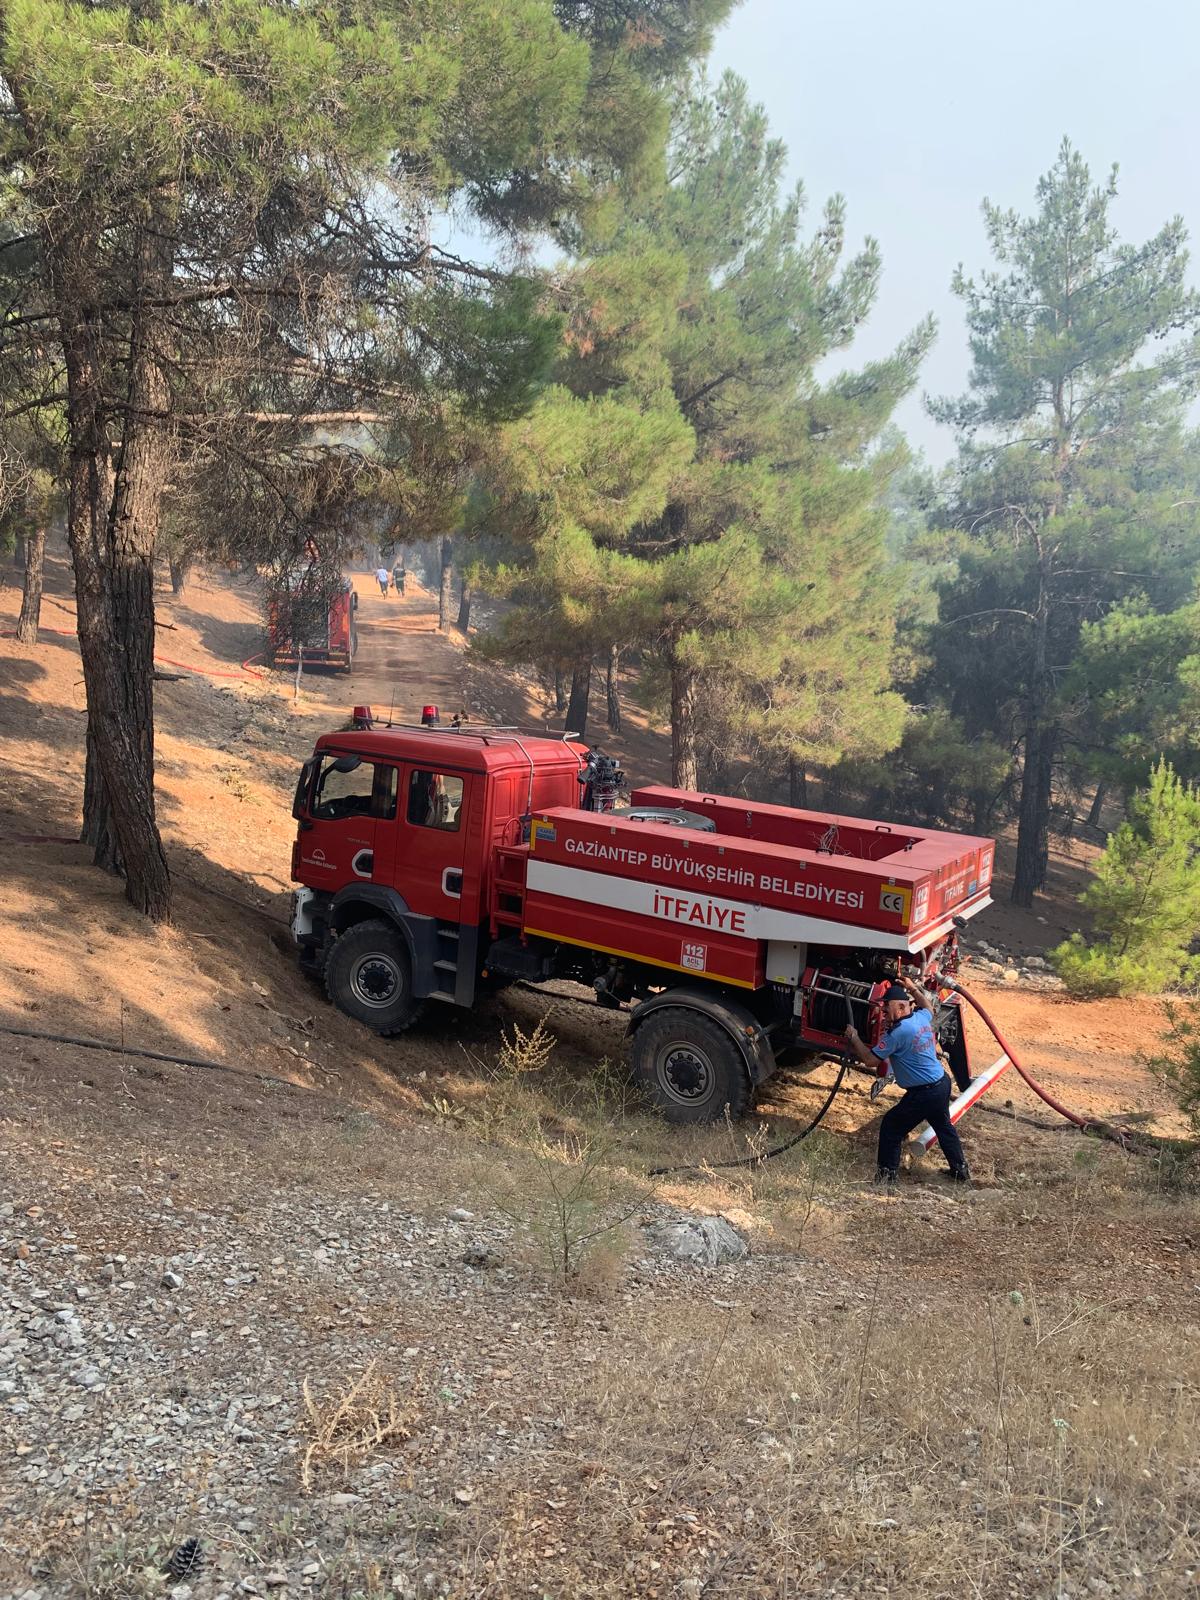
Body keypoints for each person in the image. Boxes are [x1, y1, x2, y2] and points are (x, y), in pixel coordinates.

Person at [844, 973, 970, 1185]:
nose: (883, 1012)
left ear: (902, 1008)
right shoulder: (919, 1018)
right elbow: (929, 1007)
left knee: (892, 1126)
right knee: (943, 1126)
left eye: (887, 1007)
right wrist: (913, 988)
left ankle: (886, 1177)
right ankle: (960, 1171)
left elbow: (869, 1060)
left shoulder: (898, 1034)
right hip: (941, 1083)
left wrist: (854, 1037)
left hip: (925, 1093)